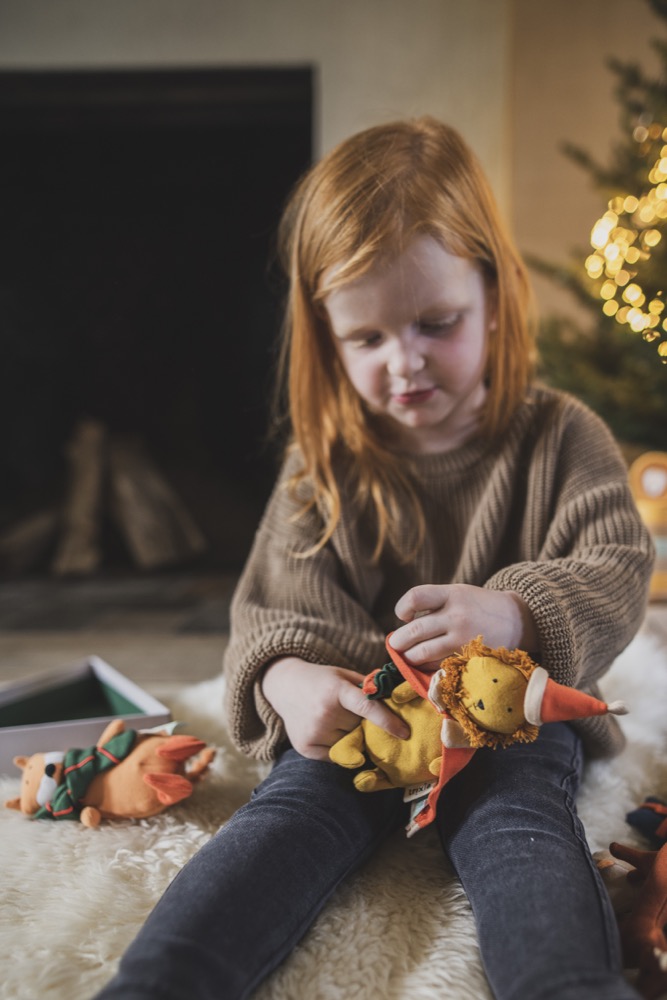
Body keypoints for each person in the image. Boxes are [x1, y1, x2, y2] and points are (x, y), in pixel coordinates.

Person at [97, 116, 654, 1000]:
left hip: (506, 719)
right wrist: (288, 684)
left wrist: (513, 615)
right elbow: (274, 614)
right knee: (287, 811)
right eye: (367, 339)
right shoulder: (321, 466)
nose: (405, 364)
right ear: (325, 335)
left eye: (437, 323)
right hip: (362, 726)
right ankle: (160, 983)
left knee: (520, 826)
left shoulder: (559, 435)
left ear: (496, 296)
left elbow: (616, 566)